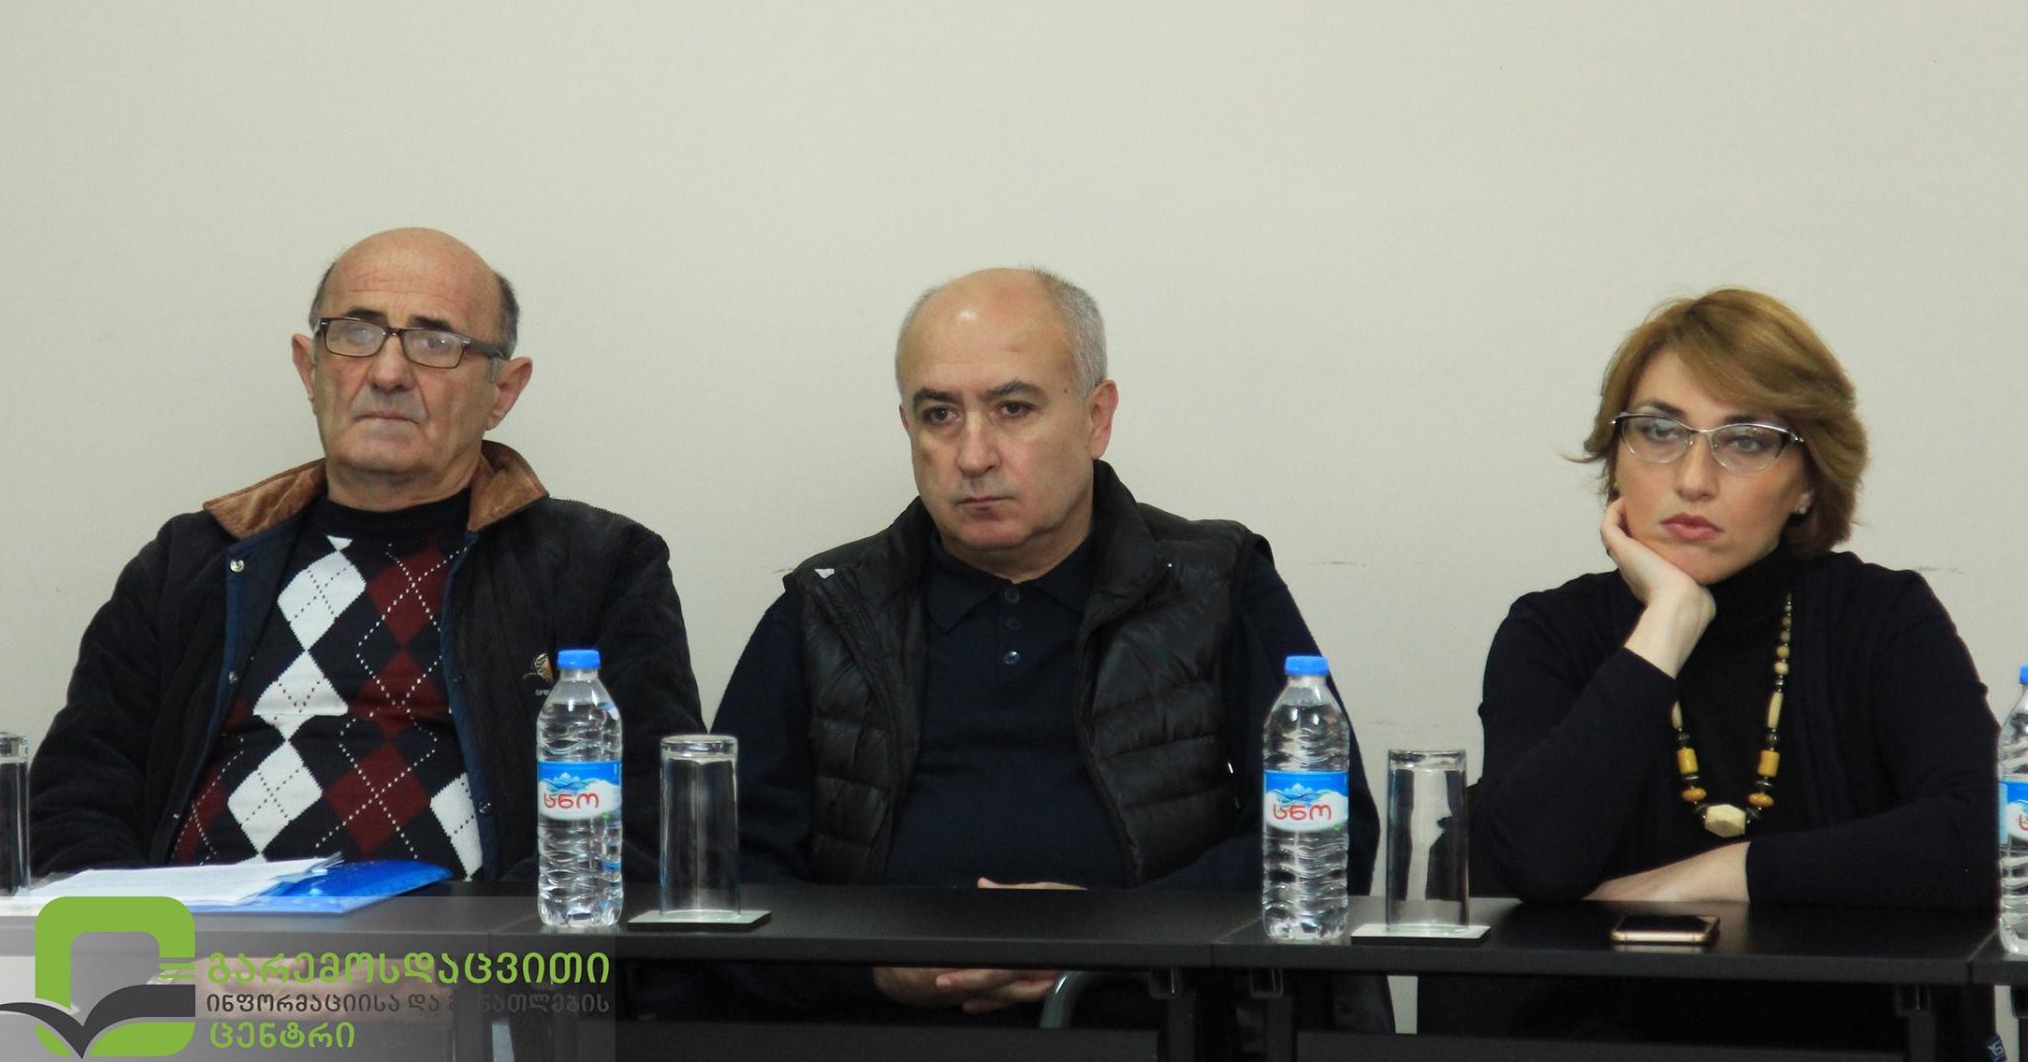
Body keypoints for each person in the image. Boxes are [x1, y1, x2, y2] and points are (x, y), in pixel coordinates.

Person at [710, 267, 1378, 1021]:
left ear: (1097, 417)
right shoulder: (828, 610)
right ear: (907, 428)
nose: (973, 456)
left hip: (1155, 1029)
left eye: (1013, 408)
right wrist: (876, 965)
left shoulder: (1214, 585)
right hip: (883, 1036)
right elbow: (721, 874)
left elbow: (1328, 839)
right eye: (939, 414)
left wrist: (1113, 935)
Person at [30, 228, 702, 882]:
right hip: (200, 950)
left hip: (466, 950)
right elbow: (77, 798)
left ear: (503, 390)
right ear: (310, 368)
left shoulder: (596, 568)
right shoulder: (190, 563)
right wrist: (138, 940)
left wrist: (481, 943)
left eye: (436, 343)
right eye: (355, 333)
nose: (387, 373)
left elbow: (647, 827)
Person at [1467, 287, 1995, 1046]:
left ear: (1808, 482)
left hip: (1856, 1044)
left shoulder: (1881, 618)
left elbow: (1989, 837)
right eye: (1658, 431)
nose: (1693, 478)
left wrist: (1727, 873)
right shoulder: (1551, 632)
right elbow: (1531, 860)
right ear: (1616, 457)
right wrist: (1669, 621)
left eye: (1745, 440)